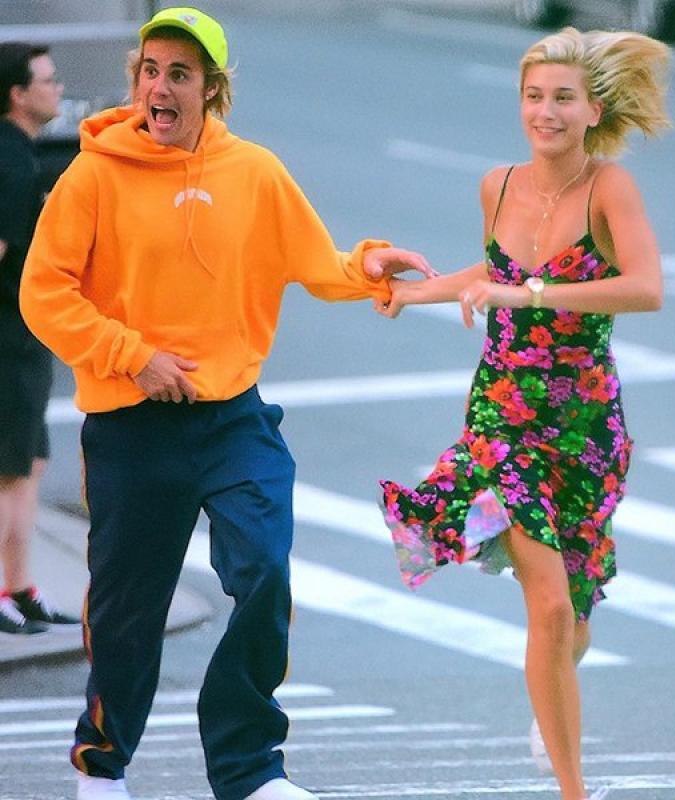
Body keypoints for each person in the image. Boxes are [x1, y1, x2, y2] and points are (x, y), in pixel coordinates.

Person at [20, 7, 431, 800]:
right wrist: (133, 357)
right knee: (128, 611)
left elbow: (315, 262)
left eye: (180, 74)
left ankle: (250, 773)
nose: (160, 87)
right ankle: (101, 769)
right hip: (132, 428)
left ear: (212, 88)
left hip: (233, 418)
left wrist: (368, 267)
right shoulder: (93, 176)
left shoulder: (254, 172)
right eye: (150, 70)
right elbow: (44, 294)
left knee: (265, 571)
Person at [376, 26, 670, 800]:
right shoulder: (497, 186)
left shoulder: (610, 189)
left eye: (563, 98)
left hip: (584, 423)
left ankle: (552, 704)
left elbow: (645, 287)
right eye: (534, 96)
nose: (546, 111)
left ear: (592, 109)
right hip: (503, 416)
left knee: (574, 612)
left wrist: (528, 293)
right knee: (548, 605)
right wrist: (419, 291)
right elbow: (495, 269)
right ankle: (575, 791)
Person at [0, 42, 78, 635]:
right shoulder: (11, 165)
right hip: (6, 341)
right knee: (8, 472)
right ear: (18, 95)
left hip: (25, 338)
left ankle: (19, 586)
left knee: (30, 463)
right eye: (47, 81)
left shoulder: (22, 155)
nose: (58, 89)